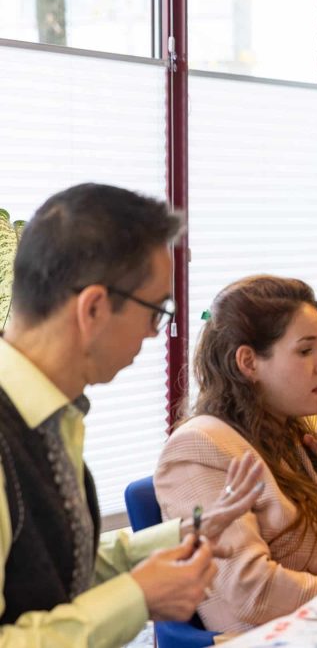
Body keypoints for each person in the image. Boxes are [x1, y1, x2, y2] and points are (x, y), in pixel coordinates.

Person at [0, 183, 261, 646]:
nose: (154, 333)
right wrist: (137, 596)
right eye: (155, 310)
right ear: (94, 308)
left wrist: (181, 536)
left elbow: (48, 570)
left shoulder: (46, 416)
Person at [154, 275, 317, 633]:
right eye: (306, 349)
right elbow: (252, 589)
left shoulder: (288, 432)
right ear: (248, 362)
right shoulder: (200, 447)